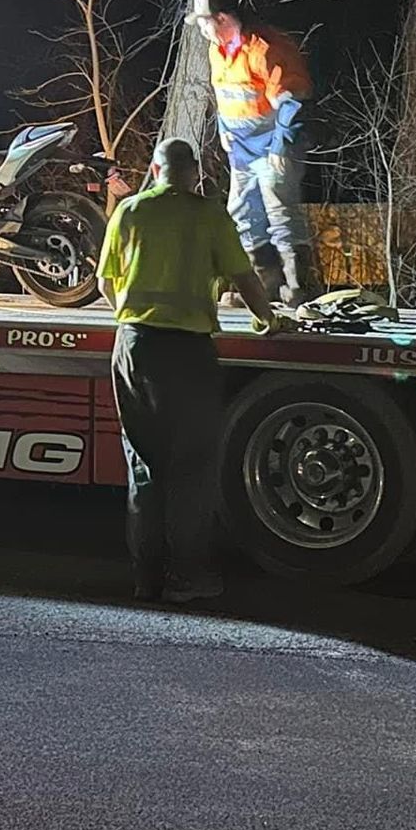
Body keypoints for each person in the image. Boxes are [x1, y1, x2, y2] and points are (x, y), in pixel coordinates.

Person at [97, 136, 286, 604]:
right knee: (190, 468)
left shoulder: (131, 211)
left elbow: (105, 282)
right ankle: (189, 577)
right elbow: (244, 277)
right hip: (187, 355)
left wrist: (132, 319)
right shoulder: (208, 214)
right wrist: (269, 320)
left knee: (144, 466)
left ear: (156, 171)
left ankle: (145, 580)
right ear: (192, 172)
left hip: (134, 348)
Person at [187, 0, 320, 306]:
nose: (202, 30)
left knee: (279, 209)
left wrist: (279, 146)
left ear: (220, 19)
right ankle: (263, 287)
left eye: (204, 22)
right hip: (242, 149)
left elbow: (293, 102)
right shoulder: (217, 50)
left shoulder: (266, 48)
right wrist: (223, 129)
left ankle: (298, 287)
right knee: (244, 213)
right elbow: (223, 95)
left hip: (275, 146)